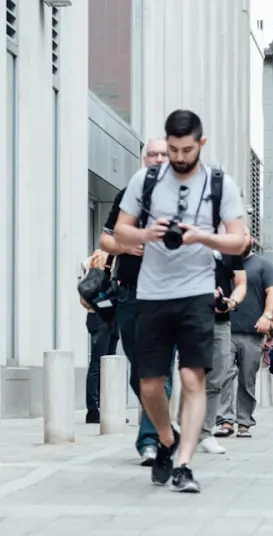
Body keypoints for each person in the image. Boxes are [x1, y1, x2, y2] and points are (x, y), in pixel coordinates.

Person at [114, 109, 246, 492]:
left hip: (196, 292)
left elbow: (239, 241)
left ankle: (184, 464)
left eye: (187, 150)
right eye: (173, 149)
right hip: (152, 293)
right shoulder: (146, 180)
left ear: (201, 144)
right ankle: (166, 438)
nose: (179, 157)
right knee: (149, 385)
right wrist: (146, 234)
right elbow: (119, 232)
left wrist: (202, 236)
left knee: (192, 378)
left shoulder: (220, 184)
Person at [100, 139, 174, 465]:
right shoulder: (128, 196)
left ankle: (150, 441)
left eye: (164, 155)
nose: (158, 159)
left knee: (160, 370)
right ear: (145, 159)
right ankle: (159, 422)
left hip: (169, 295)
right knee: (139, 372)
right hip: (130, 293)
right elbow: (105, 239)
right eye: (152, 154)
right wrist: (125, 247)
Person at [216, 229, 273, 437]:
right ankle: (225, 421)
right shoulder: (222, 262)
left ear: (251, 239)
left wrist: (267, 315)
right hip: (224, 329)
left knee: (247, 380)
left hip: (252, 332)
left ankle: (244, 422)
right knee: (223, 375)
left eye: (244, 235)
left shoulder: (263, 264)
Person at [196, 248, 246, 454]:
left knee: (216, 378)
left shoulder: (229, 247)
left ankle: (205, 434)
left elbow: (241, 283)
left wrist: (230, 302)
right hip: (190, 318)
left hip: (220, 321)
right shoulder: (188, 239)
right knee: (191, 376)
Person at [78, 250, 120, 424]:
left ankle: (104, 409)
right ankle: (94, 410)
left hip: (104, 316)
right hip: (101, 316)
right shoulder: (104, 258)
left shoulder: (92, 260)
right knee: (100, 363)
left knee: (107, 364)